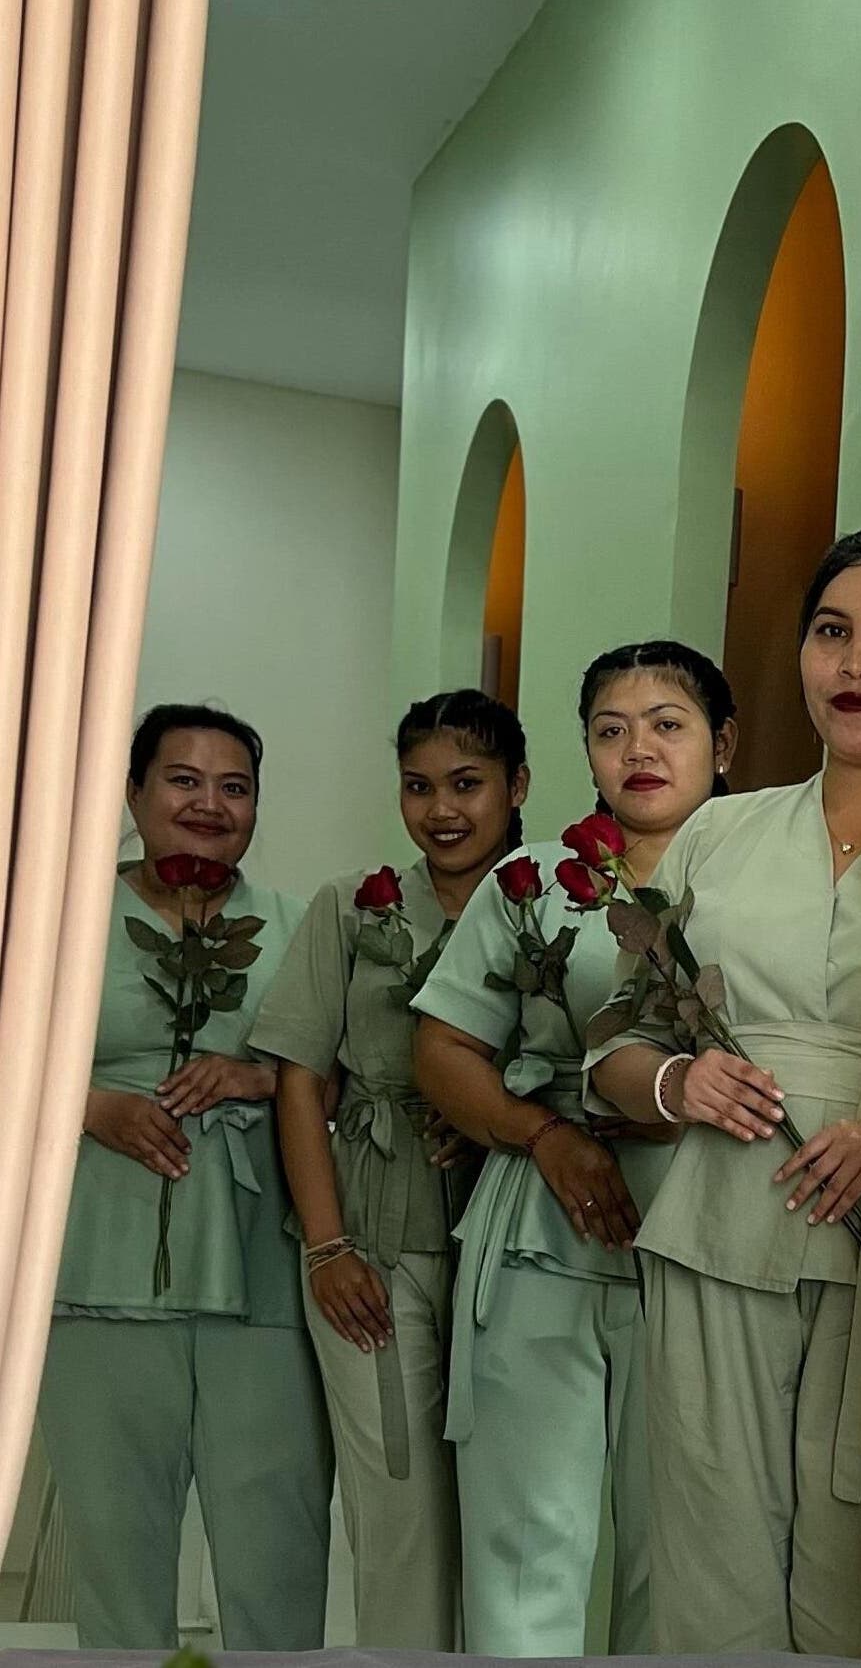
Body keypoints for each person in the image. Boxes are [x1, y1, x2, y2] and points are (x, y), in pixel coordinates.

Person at [587, 530, 861, 1659]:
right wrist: (678, 1079)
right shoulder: (717, 831)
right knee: (709, 1574)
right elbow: (611, 1043)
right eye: (831, 633)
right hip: (717, 1230)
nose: (856, 662)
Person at [411, 643, 734, 1656]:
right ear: (585, 753)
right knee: (524, 1548)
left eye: (668, 723)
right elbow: (443, 1050)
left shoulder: (770, 878)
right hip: (540, 1231)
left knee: (677, 1556)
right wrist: (545, 1135)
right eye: (611, 728)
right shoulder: (532, 882)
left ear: (723, 744)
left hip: (700, 1229)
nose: (639, 748)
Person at [38, 704, 332, 1648]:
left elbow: (357, 1076)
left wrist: (259, 1074)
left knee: (276, 1544)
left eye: (234, 786)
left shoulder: (299, 924)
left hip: (262, 1272)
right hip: (94, 1262)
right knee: (116, 1550)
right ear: (132, 790)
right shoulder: (61, 911)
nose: (209, 803)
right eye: (183, 779)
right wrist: (89, 1105)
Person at [248, 690, 528, 1647]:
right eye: (418, 786)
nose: (442, 808)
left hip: (514, 1247)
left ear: (516, 786)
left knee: (513, 1520)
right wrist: (327, 1248)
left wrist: (488, 1109)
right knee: (398, 1511)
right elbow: (298, 1081)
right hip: (372, 1237)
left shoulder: (557, 908)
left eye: (467, 783)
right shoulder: (350, 906)